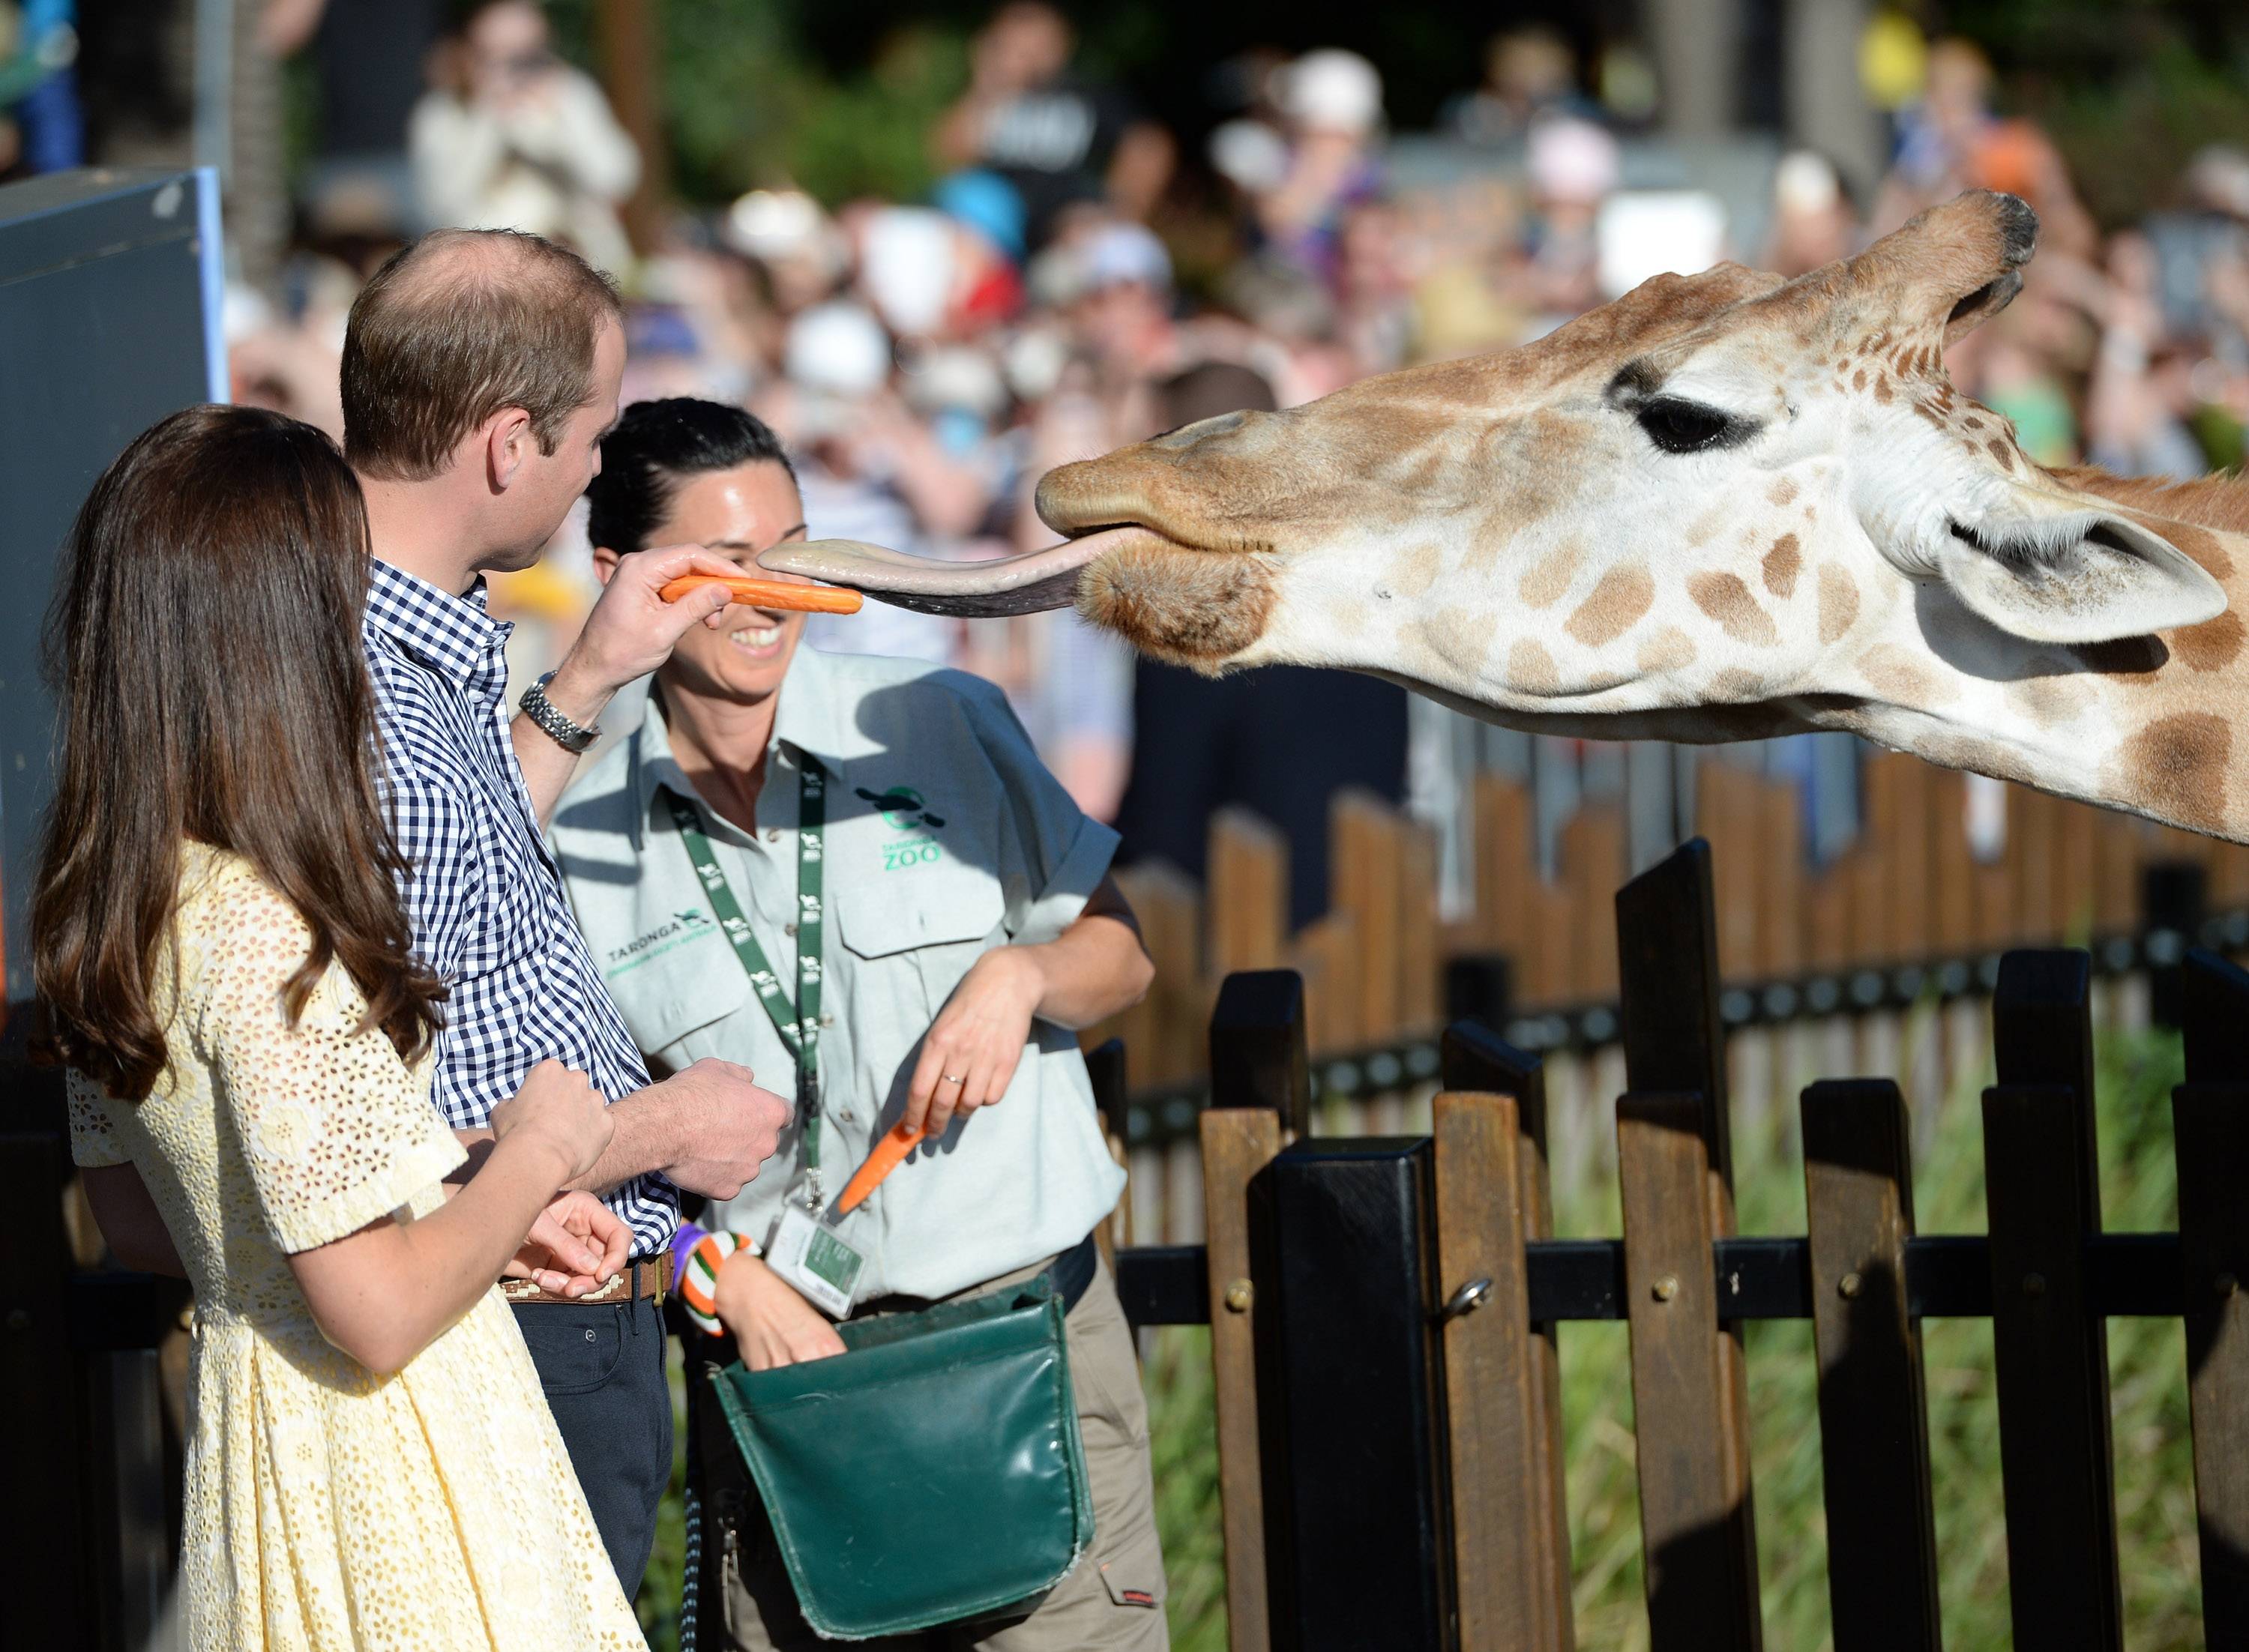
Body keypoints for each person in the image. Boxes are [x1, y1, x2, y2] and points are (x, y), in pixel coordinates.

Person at [548, 398, 1169, 1651]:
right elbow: (568, 1153)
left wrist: (1023, 979)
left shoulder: (938, 720)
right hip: (793, 1383)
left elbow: (1124, 956)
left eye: (795, 552)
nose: (767, 595)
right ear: (621, 578)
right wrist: (708, 1269)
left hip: (1022, 1344)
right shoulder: (567, 832)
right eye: (724, 564)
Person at [34, 404, 646, 1649]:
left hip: (265, 1440)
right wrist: (541, 1144)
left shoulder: (126, 888)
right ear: (280, 628)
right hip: (393, 1451)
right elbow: (372, 1307)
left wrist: (462, 1197)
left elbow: (146, 1208)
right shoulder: (260, 922)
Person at [340, 226, 793, 1595]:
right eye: (594, 437)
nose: (602, 468)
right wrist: (661, 1126)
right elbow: (352, 1133)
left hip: (552, 1309)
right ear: (506, 442)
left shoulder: (390, 640)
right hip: (510, 1322)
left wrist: (591, 673)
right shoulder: (367, 698)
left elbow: (458, 881)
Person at [409, 0, 642, 274]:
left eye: (528, 55)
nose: (516, 71)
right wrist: (489, 119)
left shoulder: (572, 94)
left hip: (585, 268)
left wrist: (557, 126)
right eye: (496, 57)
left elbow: (618, 180)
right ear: (467, 53)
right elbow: (440, 208)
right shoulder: (442, 114)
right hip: (488, 278)